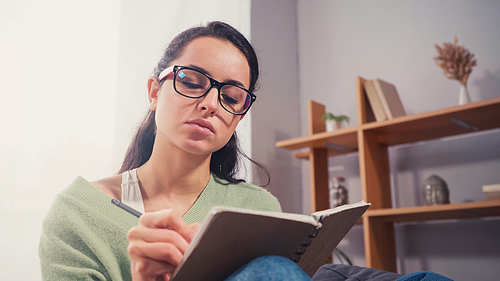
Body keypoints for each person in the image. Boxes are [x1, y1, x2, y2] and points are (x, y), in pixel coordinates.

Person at [38, 21, 311, 281]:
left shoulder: (260, 209)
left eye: (230, 98)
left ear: (239, 118)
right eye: (192, 82)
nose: (210, 104)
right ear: (154, 92)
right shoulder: (78, 213)